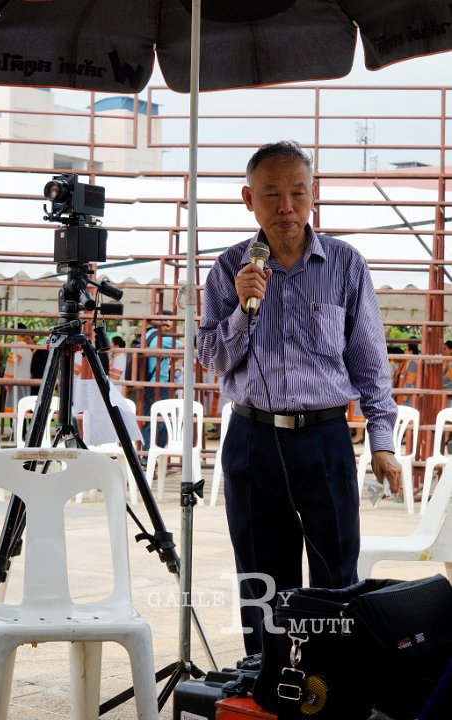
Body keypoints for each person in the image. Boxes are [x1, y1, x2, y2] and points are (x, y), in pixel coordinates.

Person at [197, 141, 402, 654]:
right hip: (252, 439)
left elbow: (370, 362)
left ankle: (329, 683)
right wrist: (244, 308)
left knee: (336, 576)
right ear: (249, 199)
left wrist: (382, 442)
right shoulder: (228, 269)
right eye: (271, 194)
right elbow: (212, 359)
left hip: (325, 439)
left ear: (314, 195)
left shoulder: (346, 265)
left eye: (297, 192)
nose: (286, 206)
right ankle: (269, 681)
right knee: (262, 580)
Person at [141, 310, 176, 452]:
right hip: (160, 384)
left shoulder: (148, 335)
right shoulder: (162, 338)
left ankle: (146, 454)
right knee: (162, 420)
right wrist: (177, 331)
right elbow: (187, 345)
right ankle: (156, 453)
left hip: (148, 383)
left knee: (149, 419)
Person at [3, 323, 35, 419]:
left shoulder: (17, 346)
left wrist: (7, 380)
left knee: (16, 407)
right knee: (23, 406)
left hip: (16, 380)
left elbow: (11, 364)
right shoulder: (27, 347)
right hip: (25, 379)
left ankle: (16, 428)